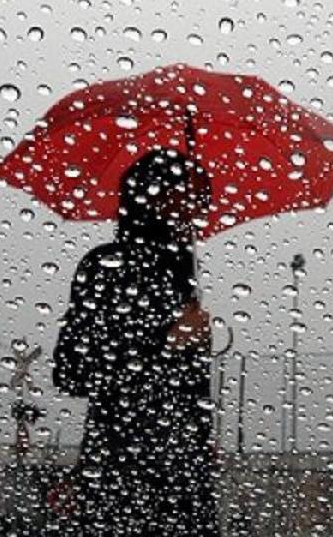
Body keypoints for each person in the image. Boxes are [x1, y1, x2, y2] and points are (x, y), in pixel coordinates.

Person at [51, 148, 219, 536]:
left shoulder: (183, 276)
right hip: (120, 479)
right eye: (187, 198)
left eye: (201, 201)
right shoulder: (105, 267)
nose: (197, 212)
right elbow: (72, 372)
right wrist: (167, 343)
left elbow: (183, 391)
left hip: (185, 481)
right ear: (152, 199)